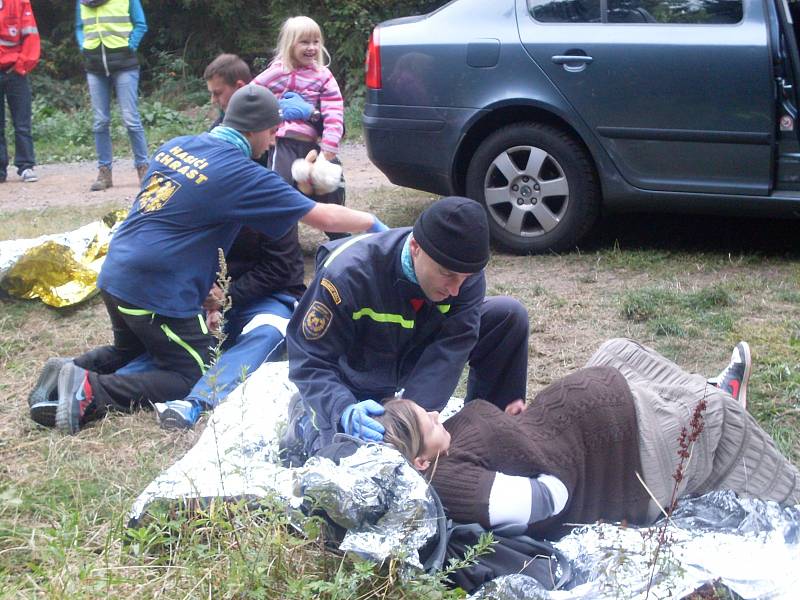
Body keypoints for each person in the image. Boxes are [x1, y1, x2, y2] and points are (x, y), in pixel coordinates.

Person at [33, 84, 387, 435]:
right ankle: (91, 390)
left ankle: (70, 370)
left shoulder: (176, 146)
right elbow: (321, 216)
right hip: (155, 289)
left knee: (133, 350)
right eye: (271, 131)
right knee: (196, 371)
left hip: (116, 274)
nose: (273, 141)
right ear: (254, 130)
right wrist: (372, 224)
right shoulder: (243, 174)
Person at [375, 338, 800, 539]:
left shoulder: (447, 448)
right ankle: (717, 400)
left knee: (619, 352)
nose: (435, 413)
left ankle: (703, 390)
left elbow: (510, 450)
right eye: (426, 421)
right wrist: (525, 444)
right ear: (420, 463)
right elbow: (549, 499)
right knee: (720, 419)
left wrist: (514, 428)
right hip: (624, 464)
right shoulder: (452, 484)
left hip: (595, 418)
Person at [286, 196, 530, 459]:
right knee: (346, 460)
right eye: (447, 274)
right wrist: (341, 408)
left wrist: (415, 428)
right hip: (355, 380)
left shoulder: (463, 272)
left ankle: (491, 436)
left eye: (465, 278)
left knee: (506, 316)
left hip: (413, 351)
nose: (456, 290)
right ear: (415, 247)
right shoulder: (347, 277)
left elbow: (451, 350)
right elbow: (309, 360)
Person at [152, 55, 309, 429]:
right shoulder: (205, 183)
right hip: (209, 295)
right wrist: (204, 294)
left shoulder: (266, 186)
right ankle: (92, 377)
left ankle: (196, 401)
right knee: (181, 345)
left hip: (267, 298)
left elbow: (285, 268)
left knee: (269, 333)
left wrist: (228, 296)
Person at [253, 16, 346, 236]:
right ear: (289, 44)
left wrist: (329, 149)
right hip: (283, 144)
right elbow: (251, 95)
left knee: (329, 189)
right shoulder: (276, 72)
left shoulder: (323, 76)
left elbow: (335, 111)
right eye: (304, 42)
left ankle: (339, 237)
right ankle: (281, 241)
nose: (312, 47)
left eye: (316, 41)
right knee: (280, 188)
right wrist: (274, 111)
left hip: (311, 146)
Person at [76, 0, 149, 191]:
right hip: (94, 67)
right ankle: (104, 172)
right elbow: (79, 27)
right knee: (100, 121)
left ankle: (143, 169)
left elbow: (141, 24)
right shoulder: (82, 1)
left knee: (131, 119)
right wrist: (83, 46)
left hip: (125, 65)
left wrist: (129, 46)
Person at [0, 0, 39, 184]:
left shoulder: (19, 2)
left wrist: (21, 65)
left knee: (22, 123)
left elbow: (31, 36)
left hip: (16, 71)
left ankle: (26, 166)